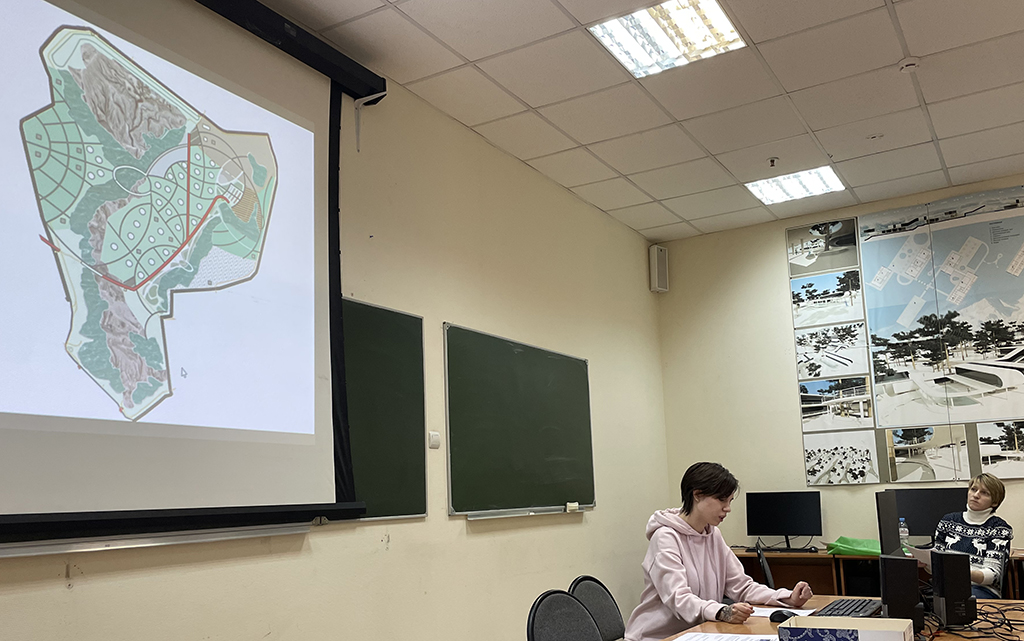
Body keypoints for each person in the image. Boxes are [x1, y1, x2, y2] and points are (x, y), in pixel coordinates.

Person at [623, 462, 814, 641]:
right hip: (658, 637)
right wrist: (722, 611)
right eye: (722, 500)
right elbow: (678, 599)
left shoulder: (713, 534)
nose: (727, 508)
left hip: (700, 632)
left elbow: (742, 586)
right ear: (697, 495)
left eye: (730, 501)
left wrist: (787, 598)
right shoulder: (665, 537)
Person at [932, 473, 1013, 599]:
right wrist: (926, 564)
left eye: (984, 493)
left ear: (995, 502)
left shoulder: (999, 529)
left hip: (981, 589)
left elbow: (993, 575)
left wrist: (961, 572)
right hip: (947, 585)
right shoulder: (948, 521)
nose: (976, 495)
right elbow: (937, 560)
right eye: (973, 489)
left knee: (957, 600)